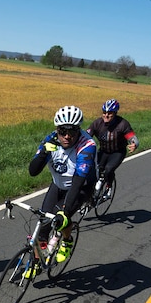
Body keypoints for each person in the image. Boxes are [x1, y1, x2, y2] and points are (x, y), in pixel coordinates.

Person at [27, 105, 97, 274]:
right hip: (58, 184)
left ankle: (67, 239)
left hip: (80, 187)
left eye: (72, 131)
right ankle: (36, 262)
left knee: (60, 219)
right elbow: (33, 172)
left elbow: (78, 181)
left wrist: (64, 212)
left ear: (78, 130)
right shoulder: (50, 140)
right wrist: (44, 152)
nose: (67, 136)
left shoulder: (87, 145)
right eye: (63, 131)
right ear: (57, 129)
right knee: (42, 224)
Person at [85, 99, 139, 195]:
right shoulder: (97, 123)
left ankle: (109, 187)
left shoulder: (122, 124)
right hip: (103, 151)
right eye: (104, 112)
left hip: (117, 152)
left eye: (109, 113)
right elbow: (86, 137)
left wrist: (134, 143)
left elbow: (131, 136)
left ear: (115, 113)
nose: (106, 115)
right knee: (94, 168)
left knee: (108, 169)